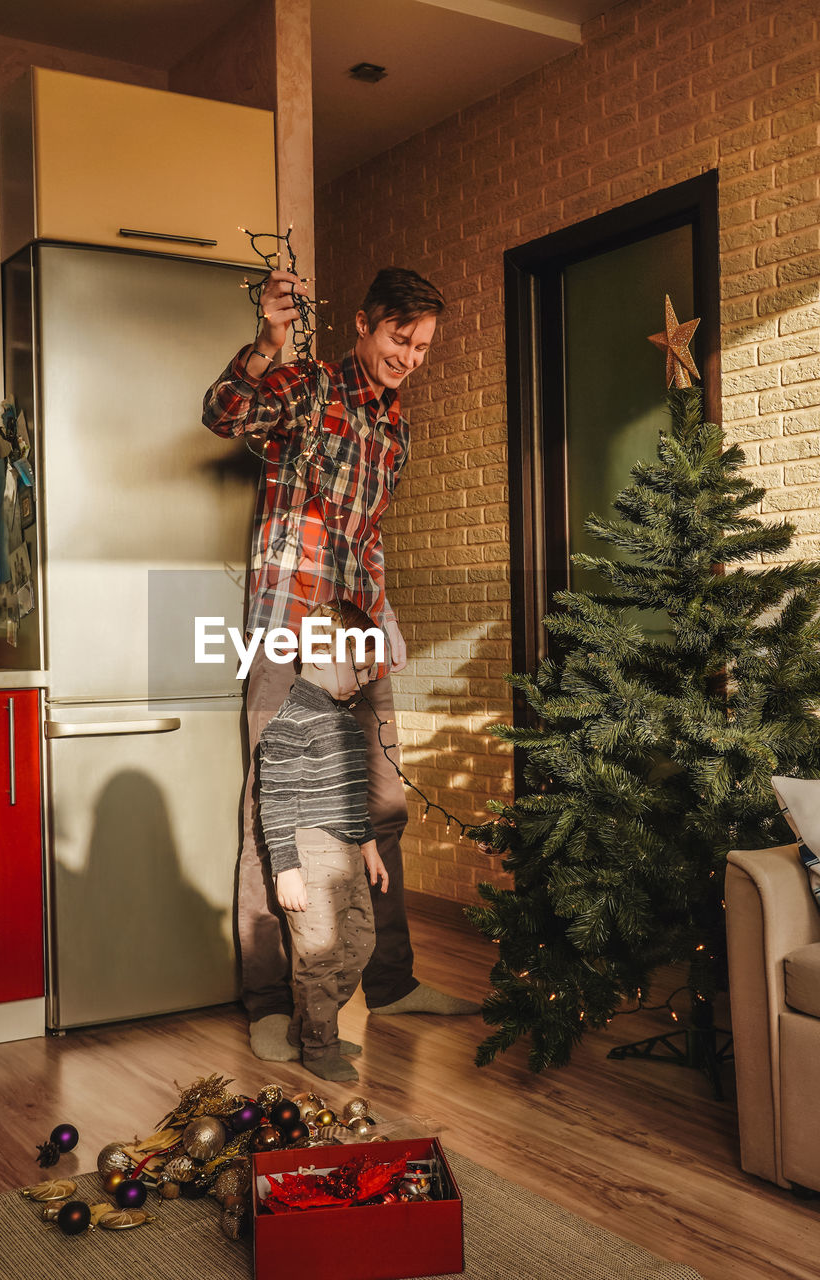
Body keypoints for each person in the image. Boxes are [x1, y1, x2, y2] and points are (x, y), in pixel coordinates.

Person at [203, 264, 480, 1063]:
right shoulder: (307, 386)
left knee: (383, 806)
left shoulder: (395, 425)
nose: (411, 357)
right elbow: (223, 413)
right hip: (287, 629)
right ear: (363, 324)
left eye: (424, 346)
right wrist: (267, 341)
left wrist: (383, 624)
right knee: (275, 813)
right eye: (402, 339)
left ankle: (388, 983)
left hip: (357, 638)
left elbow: (365, 538)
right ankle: (268, 1002)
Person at [260, 601, 388, 1083]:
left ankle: (310, 1027)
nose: (362, 678)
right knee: (319, 957)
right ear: (317, 652)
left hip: (348, 853)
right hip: (309, 855)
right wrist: (285, 866)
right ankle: (319, 1046)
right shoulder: (291, 724)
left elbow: (353, 794)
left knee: (359, 945)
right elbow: (274, 802)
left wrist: (369, 845)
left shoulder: (344, 722)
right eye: (356, 666)